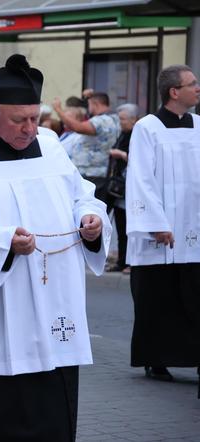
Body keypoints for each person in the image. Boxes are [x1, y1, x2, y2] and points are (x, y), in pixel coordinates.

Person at [0, 54, 111, 441]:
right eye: (19, 120)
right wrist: (2, 241)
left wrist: (91, 220)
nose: (30, 128)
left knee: (52, 412)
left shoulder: (52, 146)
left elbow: (84, 196)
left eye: (35, 117)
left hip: (55, 300)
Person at [125, 64, 200, 388]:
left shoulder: (199, 125)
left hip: (194, 229)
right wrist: (154, 223)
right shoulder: (147, 127)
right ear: (174, 92)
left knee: (194, 297)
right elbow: (140, 177)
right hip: (161, 229)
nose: (198, 88)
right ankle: (155, 358)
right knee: (157, 297)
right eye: (192, 83)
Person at [53, 91, 120, 200]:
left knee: (87, 207)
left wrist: (58, 109)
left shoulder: (102, 120)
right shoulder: (112, 118)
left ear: (96, 104)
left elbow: (77, 127)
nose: (88, 108)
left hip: (91, 173)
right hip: (97, 172)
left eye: (89, 105)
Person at [104, 103, 138, 273]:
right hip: (118, 188)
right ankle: (122, 261)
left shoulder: (138, 134)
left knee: (129, 227)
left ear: (133, 119)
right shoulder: (123, 134)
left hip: (130, 188)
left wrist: (121, 154)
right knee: (119, 225)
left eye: (123, 119)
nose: (121, 122)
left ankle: (131, 262)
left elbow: (139, 160)